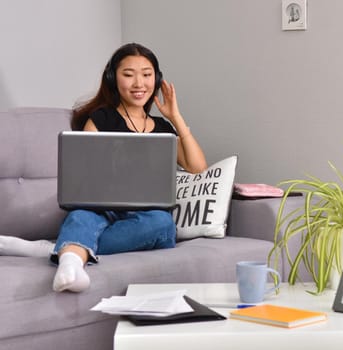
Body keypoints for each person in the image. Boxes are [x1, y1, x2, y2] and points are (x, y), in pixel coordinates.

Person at [0, 43, 207, 293]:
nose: (139, 83)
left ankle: (63, 248)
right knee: (81, 215)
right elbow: (85, 174)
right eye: (128, 74)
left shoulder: (163, 128)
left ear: (157, 78)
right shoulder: (100, 119)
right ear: (113, 78)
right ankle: (71, 260)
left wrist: (176, 117)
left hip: (147, 216)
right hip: (101, 208)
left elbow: (197, 167)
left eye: (147, 74)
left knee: (163, 225)